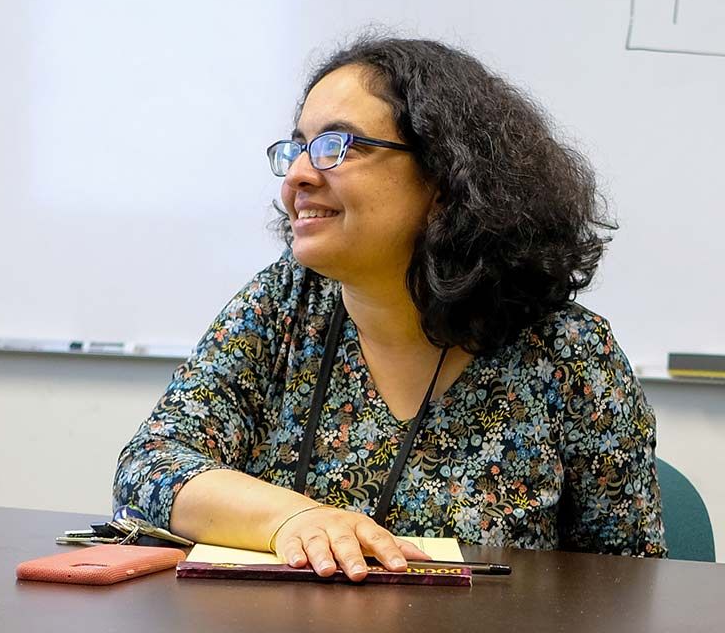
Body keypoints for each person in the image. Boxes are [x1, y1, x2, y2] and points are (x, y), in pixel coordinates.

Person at [113, 36, 666, 581]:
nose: (298, 176)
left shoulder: (566, 352)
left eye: (337, 147)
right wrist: (297, 519)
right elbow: (151, 465)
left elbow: (631, 583)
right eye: (297, 148)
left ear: (447, 178)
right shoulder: (284, 302)